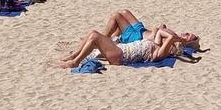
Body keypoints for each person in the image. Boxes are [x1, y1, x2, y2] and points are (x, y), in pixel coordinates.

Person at [57, 10, 199, 67]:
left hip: (121, 55)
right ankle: (75, 55)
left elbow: (167, 38)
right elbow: (161, 32)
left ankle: (75, 61)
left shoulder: (158, 54)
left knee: (95, 35)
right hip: (123, 48)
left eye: (188, 36)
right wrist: (170, 36)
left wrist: (175, 40)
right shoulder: (156, 45)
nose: (186, 34)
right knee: (95, 33)